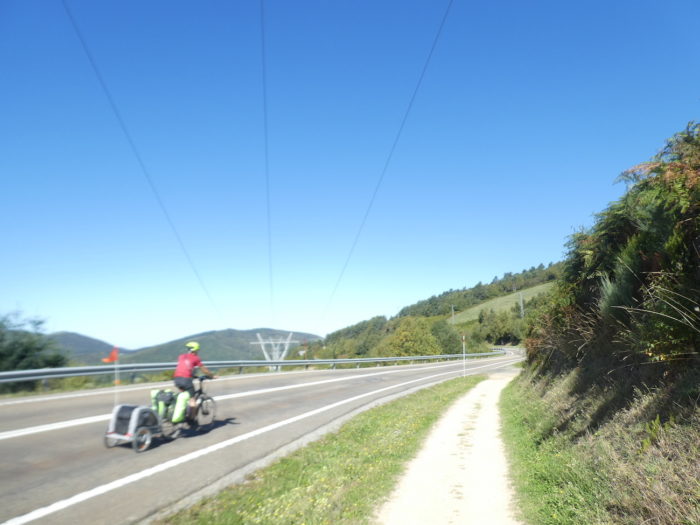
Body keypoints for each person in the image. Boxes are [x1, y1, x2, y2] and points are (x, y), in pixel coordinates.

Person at [173, 341, 216, 423]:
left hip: (176, 379)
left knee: (183, 396)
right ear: (195, 350)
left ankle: (181, 412)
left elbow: (185, 367)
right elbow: (204, 370)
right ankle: (191, 420)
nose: (198, 352)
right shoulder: (196, 358)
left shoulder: (181, 356)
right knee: (192, 401)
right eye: (198, 350)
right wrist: (212, 376)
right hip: (186, 380)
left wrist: (193, 376)